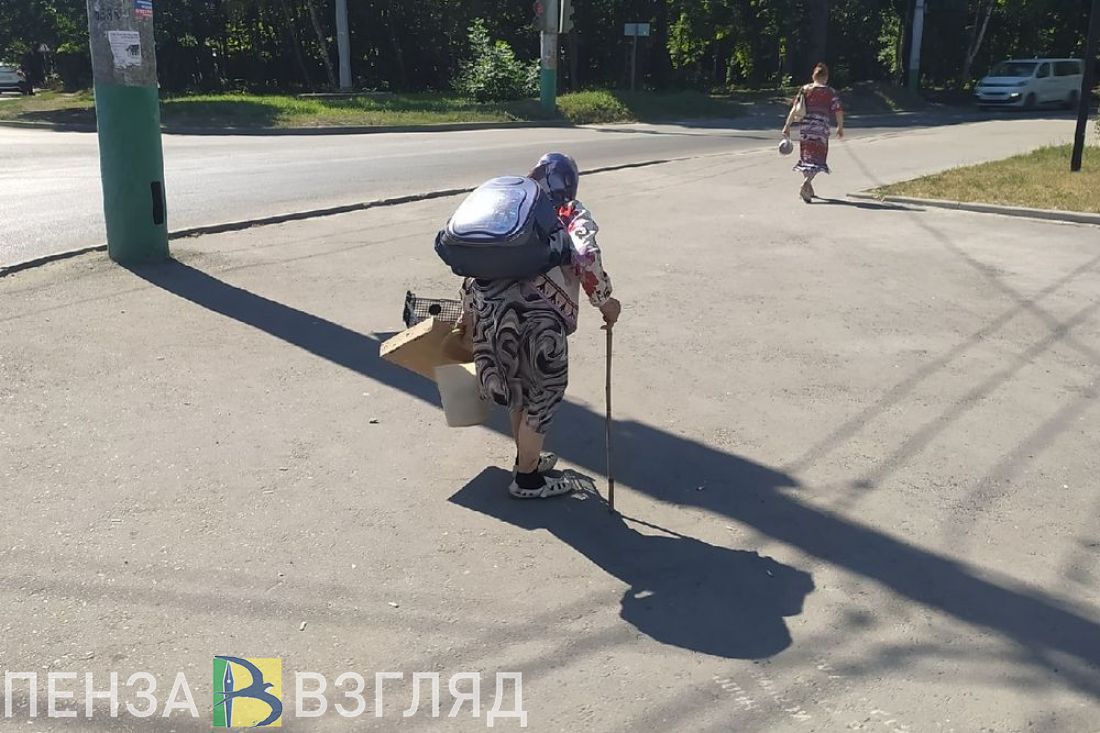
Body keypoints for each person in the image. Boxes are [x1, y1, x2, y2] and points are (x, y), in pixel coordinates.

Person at [453, 153, 621, 499]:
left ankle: (525, 460)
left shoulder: (511, 207)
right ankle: (527, 480)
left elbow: (475, 260)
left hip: (489, 312)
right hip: (538, 321)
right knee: (542, 396)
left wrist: (467, 313)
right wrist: (605, 302)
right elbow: (586, 256)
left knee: (518, 391)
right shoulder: (568, 212)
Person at [782, 62, 844, 203]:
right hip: (821, 130)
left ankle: (809, 189)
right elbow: (838, 110)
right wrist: (840, 127)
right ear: (826, 77)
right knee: (818, 160)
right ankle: (806, 183)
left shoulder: (805, 90)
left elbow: (795, 109)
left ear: (813, 76)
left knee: (807, 158)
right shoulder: (830, 92)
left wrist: (787, 126)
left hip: (806, 129)